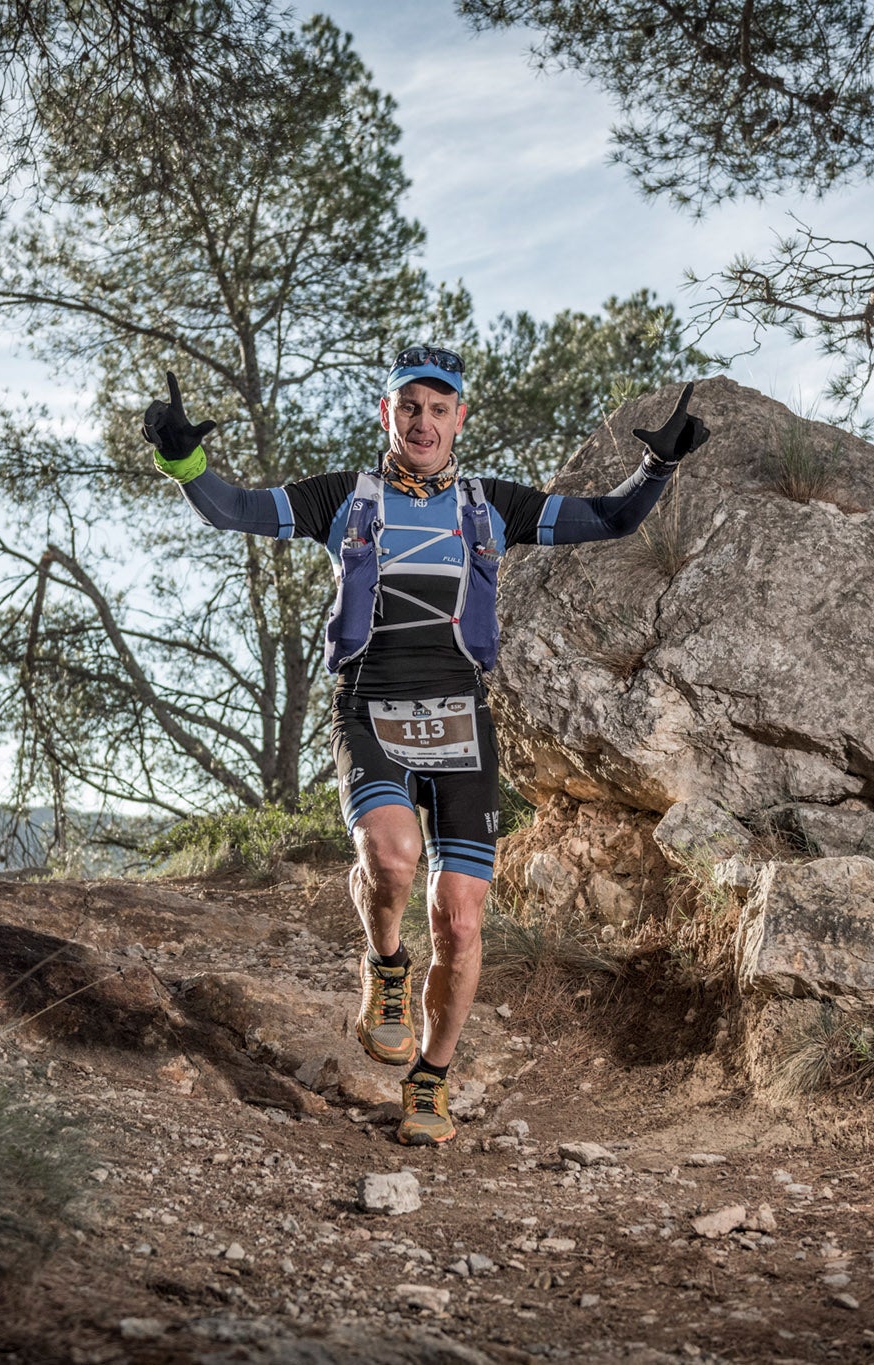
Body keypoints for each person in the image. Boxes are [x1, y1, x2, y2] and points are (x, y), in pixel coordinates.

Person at [142, 345, 707, 1144]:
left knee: (463, 921)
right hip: (369, 706)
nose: (424, 421)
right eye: (410, 406)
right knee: (394, 856)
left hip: (462, 719)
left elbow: (610, 517)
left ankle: (431, 1081)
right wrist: (182, 456)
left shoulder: (490, 506)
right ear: (388, 414)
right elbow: (232, 507)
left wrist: (657, 464)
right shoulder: (345, 498)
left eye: (440, 409)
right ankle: (385, 964)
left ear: (460, 420)